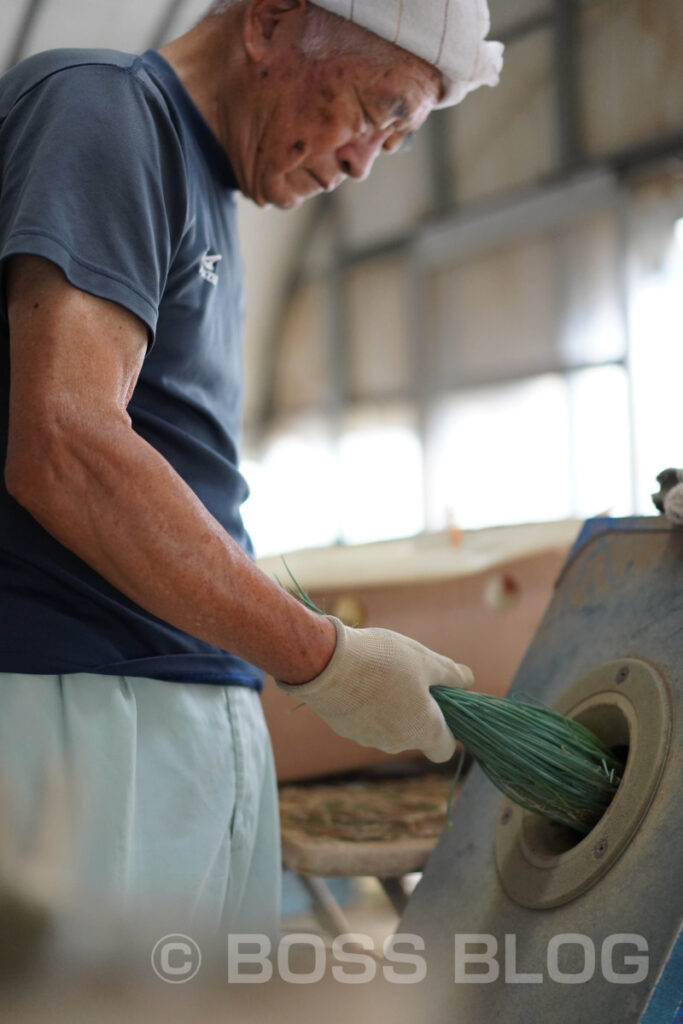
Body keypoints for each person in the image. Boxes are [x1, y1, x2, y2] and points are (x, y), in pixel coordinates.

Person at [0, 0, 502, 936]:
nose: (362, 159)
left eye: (397, 140)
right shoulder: (105, 113)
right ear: (270, 22)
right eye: (376, 107)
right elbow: (67, 443)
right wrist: (326, 657)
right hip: (84, 706)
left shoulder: (215, 196)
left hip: (183, 718)